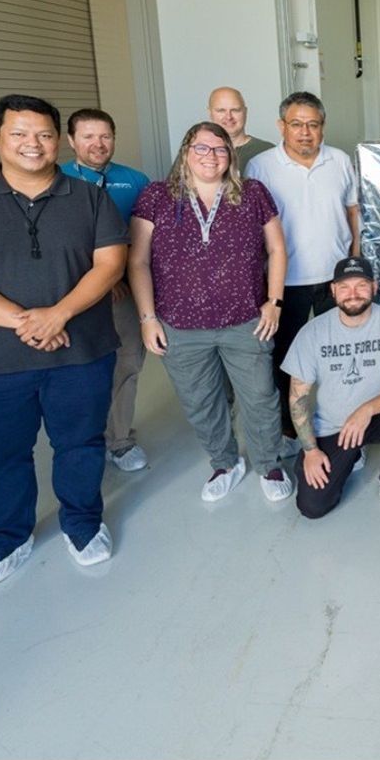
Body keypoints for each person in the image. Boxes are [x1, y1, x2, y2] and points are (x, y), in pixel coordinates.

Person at [0, 94, 127, 591]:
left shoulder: (90, 198)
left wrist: (60, 315)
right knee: (1, 456)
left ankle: (82, 524)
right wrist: (25, 321)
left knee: (80, 445)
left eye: (44, 135)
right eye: (19, 134)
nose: (33, 144)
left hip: (81, 353)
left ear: (59, 141)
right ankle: (7, 540)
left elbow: (110, 264)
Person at [128, 122, 295, 504]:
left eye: (220, 149)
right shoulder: (157, 196)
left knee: (260, 397)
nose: (211, 156)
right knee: (201, 400)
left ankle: (269, 463)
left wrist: (274, 301)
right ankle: (225, 462)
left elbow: (278, 250)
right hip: (179, 325)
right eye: (201, 148)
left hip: (245, 320)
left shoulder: (252, 194)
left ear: (231, 155)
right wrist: (148, 317)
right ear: (186, 151)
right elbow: (136, 261)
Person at [244, 92, 360, 436]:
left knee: (340, 354)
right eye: (296, 124)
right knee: (285, 359)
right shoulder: (260, 167)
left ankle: (339, 422)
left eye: (313, 124)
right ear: (282, 126)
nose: (305, 132)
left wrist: (356, 257)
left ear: (322, 128)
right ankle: (289, 429)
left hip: (335, 278)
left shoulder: (339, 160)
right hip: (285, 281)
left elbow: (353, 211)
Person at [282, 256, 380, 523]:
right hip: (334, 426)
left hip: (377, 416)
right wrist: (311, 451)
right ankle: (346, 455)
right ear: (333, 290)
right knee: (312, 506)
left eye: (361, 285)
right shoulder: (313, 332)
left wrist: (366, 410)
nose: (353, 294)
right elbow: (298, 397)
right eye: (345, 287)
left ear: (374, 287)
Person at [60, 108, 151, 472]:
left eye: (105, 136)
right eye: (88, 136)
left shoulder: (135, 180)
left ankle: (120, 441)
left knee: (127, 363)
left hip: (125, 293)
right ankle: (83, 442)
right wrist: (100, 280)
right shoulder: (56, 179)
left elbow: (148, 241)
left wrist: (121, 280)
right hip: (73, 295)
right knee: (78, 371)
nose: (98, 144)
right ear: (71, 141)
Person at [208, 86, 274, 172]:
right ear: (210, 113)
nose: (228, 117)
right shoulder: (198, 154)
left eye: (235, 110)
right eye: (221, 110)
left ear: (245, 112)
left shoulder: (268, 152)